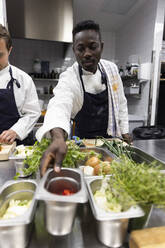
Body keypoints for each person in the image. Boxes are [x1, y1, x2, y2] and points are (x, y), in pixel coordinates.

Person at [36, 20, 131, 175]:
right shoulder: (69, 76)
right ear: (74, 50)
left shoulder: (112, 70)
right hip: (83, 143)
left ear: (102, 46)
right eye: (81, 49)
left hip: (110, 141)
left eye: (93, 47)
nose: (87, 53)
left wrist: (125, 130)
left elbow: (121, 102)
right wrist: (58, 137)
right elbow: (59, 104)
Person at [0, 24, 40, 145]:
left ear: (10, 50)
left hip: (17, 149)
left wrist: (15, 131)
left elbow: (33, 112)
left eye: (0, 55)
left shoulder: (23, 79)